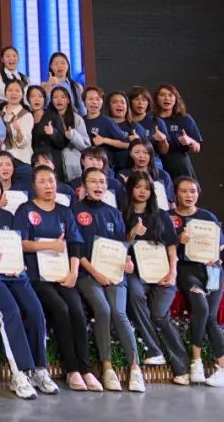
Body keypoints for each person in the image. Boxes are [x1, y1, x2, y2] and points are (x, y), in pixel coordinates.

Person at [0, 171, 57, 399]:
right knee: (11, 311)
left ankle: (39, 370)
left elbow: (17, 244)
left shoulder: (9, 216)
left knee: (35, 310)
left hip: (15, 273)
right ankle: (19, 374)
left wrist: (20, 263)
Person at [15, 166, 100, 391]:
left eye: (51, 181)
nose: (48, 186)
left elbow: (75, 244)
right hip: (37, 276)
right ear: (33, 186)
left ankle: (86, 369)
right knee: (61, 309)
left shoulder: (64, 211)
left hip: (64, 274)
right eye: (42, 182)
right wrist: (49, 245)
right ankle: (72, 370)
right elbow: (20, 243)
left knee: (77, 311)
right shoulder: (25, 210)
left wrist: (73, 273)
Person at [74, 167, 144, 391]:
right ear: (84, 185)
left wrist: (127, 262)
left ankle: (135, 368)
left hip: (114, 272)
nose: (98, 186)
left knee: (118, 312)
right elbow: (76, 251)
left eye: (102, 182)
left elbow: (121, 246)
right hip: (87, 273)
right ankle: (107, 368)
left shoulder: (113, 213)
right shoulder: (74, 211)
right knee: (103, 310)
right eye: (93, 181)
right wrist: (96, 273)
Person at [123, 172, 190, 385]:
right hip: (136, 272)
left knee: (160, 314)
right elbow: (120, 247)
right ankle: (155, 350)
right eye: (138, 187)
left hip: (163, 272)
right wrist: (132, 233)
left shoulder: (161, 215)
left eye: (147, 188)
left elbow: (172, 248)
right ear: (131, 189)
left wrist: (173, 273)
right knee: (134, 295)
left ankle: (182, 367)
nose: (142, 191)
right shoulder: (122, 214)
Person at [171, 176, 224, 386]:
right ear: (176, 193)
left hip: (212, 269)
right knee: (201, 308)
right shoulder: (169, 217)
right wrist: (178, 241)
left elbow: (220, 244)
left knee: (211, 316)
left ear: (198, 193)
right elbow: (162, 247)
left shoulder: (207, 216)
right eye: (184, 191)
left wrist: (215, 255)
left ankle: (223, 368)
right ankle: (196, 362)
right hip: (187, 270)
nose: (189, 195)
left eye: (193, 191)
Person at [154, 84, 202, 180]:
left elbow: (197, 148)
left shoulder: (185, 119)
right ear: (156, 99)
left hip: (179, 165)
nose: (167, 98)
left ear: (176, 99)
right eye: (162, 95)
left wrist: (190, 141)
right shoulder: (151, 119)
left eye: (170, 95)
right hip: (155, 164)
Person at [47, 86, 89, 182]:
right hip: (53, 162)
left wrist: (73, 136)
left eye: (63, 97)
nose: (59, 100)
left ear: (69, 100)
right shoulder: (47, 118)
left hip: (72, 164)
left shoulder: (77, 119)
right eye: (55, 97)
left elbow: (86, 146)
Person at [83, 87, 130, 172]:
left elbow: (126, 144)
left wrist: (104, 140)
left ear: (102, 102)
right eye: (90, 99)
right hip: (85, 167)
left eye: (98, 99)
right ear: (84, 101)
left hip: (104, 168)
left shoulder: (107, 121)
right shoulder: (80, 121)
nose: (94, 102)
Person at [118, 141, 173, 209]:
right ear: (130, 154)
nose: (141, 156)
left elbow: (171, 201)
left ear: (151, 154)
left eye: (145, 152)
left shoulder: (163, 175)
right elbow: (121, 202)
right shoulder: (123, 174)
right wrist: (129, 185)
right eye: (137, 152)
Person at [27, 85, 66, 176]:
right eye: (33, 96)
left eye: (40, 96)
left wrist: (53, 133)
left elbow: (62, 143)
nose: (36, 99)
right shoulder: (27, 117)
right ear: (28, 100)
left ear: (44, 99)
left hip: (51, 160)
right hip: (35, 161)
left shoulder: (53, 116)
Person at [0, 79, 34, 176]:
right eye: (10, 90)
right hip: (3, 162)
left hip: (20, 162)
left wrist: (18, 131)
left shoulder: (26, 115)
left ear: (22, 94)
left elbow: (23, 143)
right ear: (5, 93)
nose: (13, 93)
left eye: (17, 90)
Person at [128, 86, 170, 162]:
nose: (140, 103)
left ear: (148, 103)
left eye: (144, 100)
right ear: (129, 102)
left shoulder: (157, 122)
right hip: (127, 160)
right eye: (136, 99)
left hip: (152, 161)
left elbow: (164, 151)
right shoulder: (124, 121)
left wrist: (163, 141)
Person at [43, 52, 84, 116]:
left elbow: (82, 110)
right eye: (56, 63)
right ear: (51, 66)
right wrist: (49, 85)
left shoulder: (76, 86)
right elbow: (43, 108)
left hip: (72, 120)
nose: (59, 66)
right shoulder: (44, 85)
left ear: (68, 66)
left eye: (63, 63)